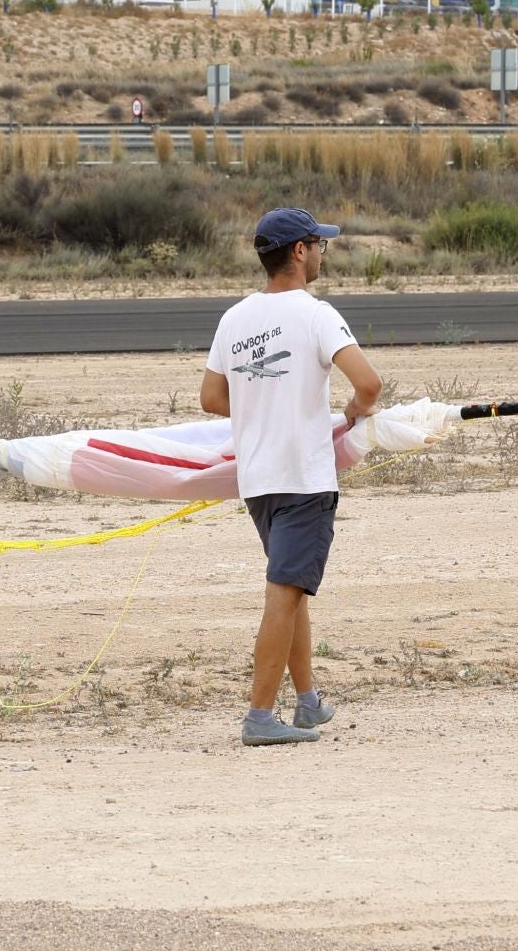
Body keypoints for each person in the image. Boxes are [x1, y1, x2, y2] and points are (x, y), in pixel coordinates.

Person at [201, 207, 382, 747]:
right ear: (299, 252)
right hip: (303, 476)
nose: (323, 252)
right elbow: (369, 384)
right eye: (318, 244)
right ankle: (259, 716)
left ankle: (306, 702)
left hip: (257, 479)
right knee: (283, 592)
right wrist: (350, 412)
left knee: (292, 587)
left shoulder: (234, 318)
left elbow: (212, 397)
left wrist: (262, 397)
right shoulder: (316, 314)